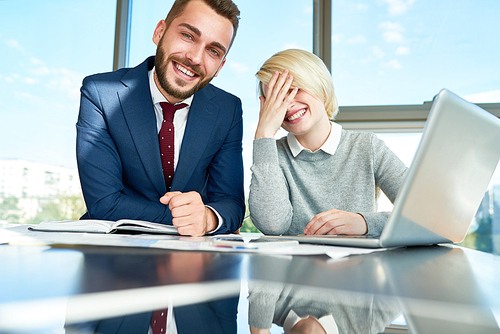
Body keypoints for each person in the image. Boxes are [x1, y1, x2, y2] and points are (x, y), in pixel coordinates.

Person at [76, 0, 245, 237]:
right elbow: (105, 203)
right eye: (188, 35)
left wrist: (208, 218)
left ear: (220, 66)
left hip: (193, 259)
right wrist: (188, 219)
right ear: (159, 32)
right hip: (113, 251)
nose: (196, 58)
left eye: (213, 51)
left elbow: (231, 203)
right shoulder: (101, 93)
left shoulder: (228, 109)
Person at [248, 49, 407, 237]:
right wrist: (264, 133)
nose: (289, 105)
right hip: (296, 266)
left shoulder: (368, 147)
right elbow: (272, 225)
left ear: (321, 87)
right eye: (278, 99)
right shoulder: (272, 156)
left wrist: (365, 222)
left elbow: (423, 213)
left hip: (358, 265)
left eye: (294, 90)